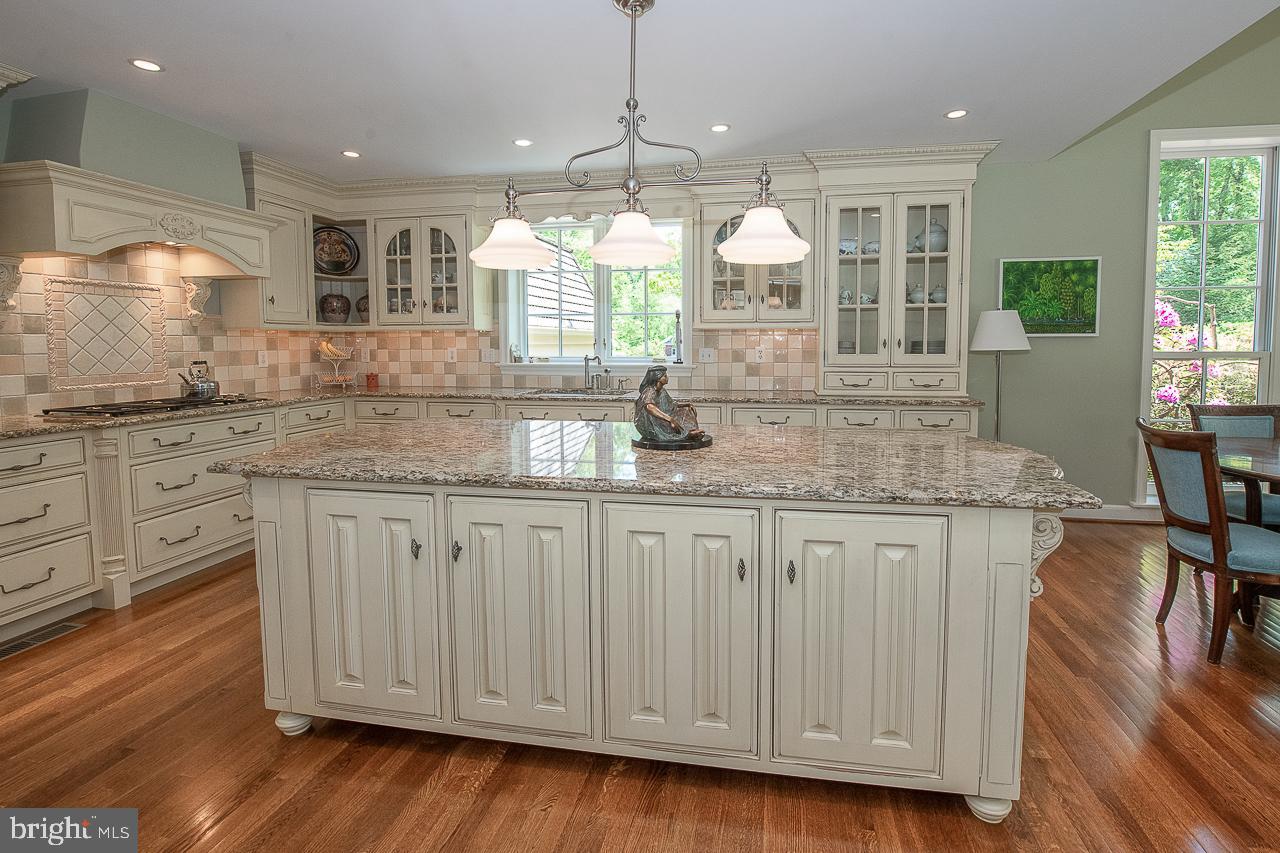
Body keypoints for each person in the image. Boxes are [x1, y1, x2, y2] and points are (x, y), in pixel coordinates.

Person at [634, 365, 704, 443]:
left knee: (686, 410)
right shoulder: (650, 391)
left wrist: (686, 405)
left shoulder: (662, 391)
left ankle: (692, 431)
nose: (667, 377)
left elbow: (672, 405)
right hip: (649, 422)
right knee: (668, 423)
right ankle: (686, 434)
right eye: (665, 376)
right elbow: (649, 407)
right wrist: (670, 419)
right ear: (658, 378)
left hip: (661, 415)